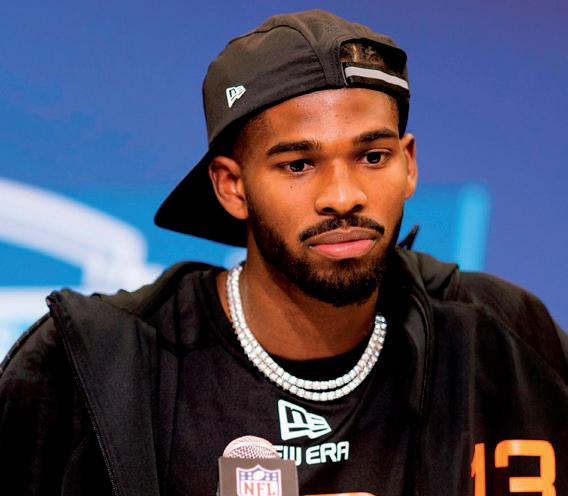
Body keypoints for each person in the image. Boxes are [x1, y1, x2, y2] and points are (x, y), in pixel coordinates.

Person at [1, 9, 567, 496]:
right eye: (298, 164)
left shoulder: (506, 340)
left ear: (410, 164)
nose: (342, 196)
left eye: (372, 156)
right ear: (232, 186)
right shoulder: (91, 370)